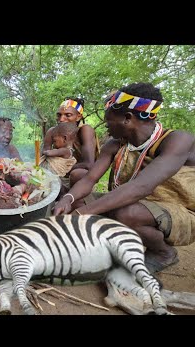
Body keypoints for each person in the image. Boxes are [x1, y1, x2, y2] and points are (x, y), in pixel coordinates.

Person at [53, 82, 195, 273]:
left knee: (126, 214)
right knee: (78, 201)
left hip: (179, 211)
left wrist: (80, 216)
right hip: (133, 201)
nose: (105, 128)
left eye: (108, 121)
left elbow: (140, 188)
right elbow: (89, 179)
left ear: (127, 118)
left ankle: (164, 253)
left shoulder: (177, 140)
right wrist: (68, 199)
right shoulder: (115, 144)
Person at [43, 97, 99, 188]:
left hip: (78, 178)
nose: (61, 119)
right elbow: (44, 158)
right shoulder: (52, 131)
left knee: (76, 174)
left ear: (78, 117)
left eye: (68, 115)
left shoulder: (85, 130)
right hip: (55, 175)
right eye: (59, 115)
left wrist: (63, 171)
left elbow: (88, 164)